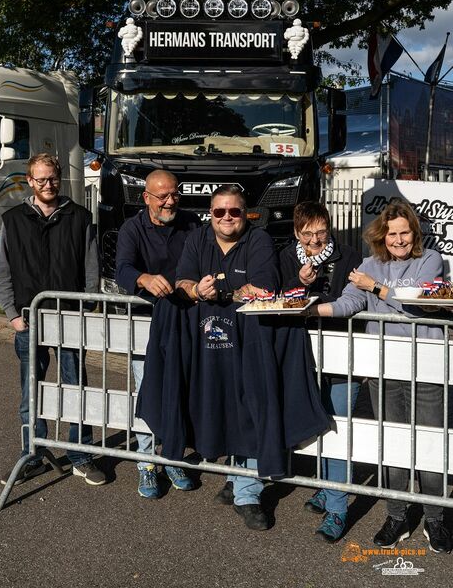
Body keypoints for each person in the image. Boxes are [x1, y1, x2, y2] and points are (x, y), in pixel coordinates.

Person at [137, 185, 329, 531]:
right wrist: (196, 290)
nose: (227, 218)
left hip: (250, 344)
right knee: (215, 409)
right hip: (206, 344)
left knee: (251, 409)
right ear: (210, 214)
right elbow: (183, 281)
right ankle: (234, 476)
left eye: (234, 212)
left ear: (246, 213)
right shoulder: (197, 239)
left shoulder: (259, 240)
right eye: (219, 212)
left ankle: (248, 493)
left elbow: (263, 284)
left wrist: (225, 291)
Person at [309, 199, 451, 553]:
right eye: (392, 234)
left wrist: (376, 288)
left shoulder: (430, 260)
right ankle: (397, 514)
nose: (399, 240)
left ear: (414, 234)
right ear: (381, 236)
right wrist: (306, 311)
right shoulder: (369, 264)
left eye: (405, 233)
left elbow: (421, 301)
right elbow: (347, 304)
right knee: (393, 445)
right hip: (385, 368)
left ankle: (435, 519)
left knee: (430, 445)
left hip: (427, 367)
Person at [0, 152, 105, 486]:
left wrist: (87, 311)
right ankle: (33, 454)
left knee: (75, 387)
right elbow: (4, 272)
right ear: (30, 181)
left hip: (69, 318)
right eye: (40, 179)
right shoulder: (13, 219)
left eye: (52, 178)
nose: (47, 185)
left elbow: (91, 270)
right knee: (33, 390)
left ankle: (80, 455)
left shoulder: (80, 217)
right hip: (28, 320)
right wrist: (12, 315)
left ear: (60, 178)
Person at [115, 169, 200, 499]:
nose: (170, 201)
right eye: (162, 196)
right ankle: (147, 462)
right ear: (146, 197)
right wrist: (143, 278)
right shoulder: (132, 228)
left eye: (175, 194)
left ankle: (173, 456)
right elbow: (121, 267)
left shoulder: (191, 222)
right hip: (146, 321)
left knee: (180, 388)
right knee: (148, 388)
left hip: (184, 319)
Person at [280, 201, 362, 542]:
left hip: (344, 355)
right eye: (308, 233)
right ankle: (327, 489)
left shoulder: (350, 256)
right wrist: (298, 283)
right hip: (301, 355)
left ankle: (337, 509)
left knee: (337, 427)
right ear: (297, 233)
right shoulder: (285, 257)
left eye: (321, 231)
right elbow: (278, 300)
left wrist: (314, 300)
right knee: (317, 424)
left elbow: (353, 301)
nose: (315, 240)